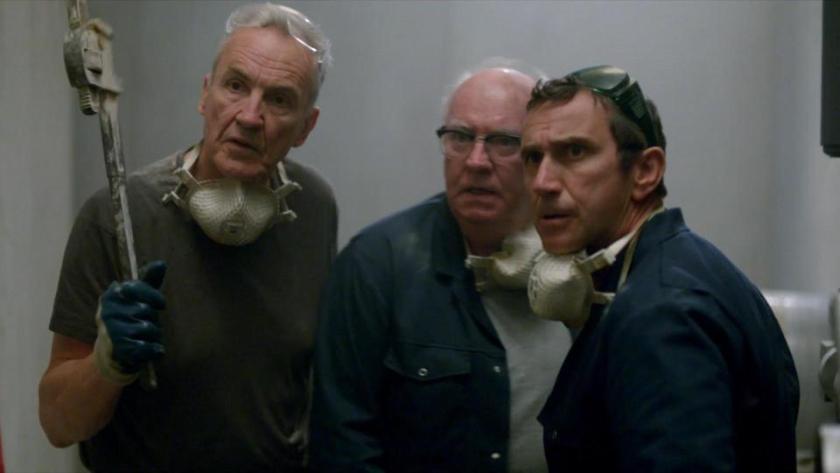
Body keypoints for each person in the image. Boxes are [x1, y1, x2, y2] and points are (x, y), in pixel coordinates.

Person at [38, 4, 335, 471]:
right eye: (235, 85)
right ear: (205, 94)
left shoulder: (314, 209)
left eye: (279, 99)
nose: (250, 115)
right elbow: (58, 423)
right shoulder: (118, 217)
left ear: (306, 127)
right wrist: (105, 365)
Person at [520, 65, 799, 472]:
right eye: (532, 157)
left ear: (645, 172)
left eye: (574, 152)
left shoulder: (661, 314)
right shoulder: (683, 266)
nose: (542, 182)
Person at [310, 65, 572, 473]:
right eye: (460, 138)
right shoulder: (376, 265)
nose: (476, 161)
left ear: (540, 156)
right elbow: (342, 443)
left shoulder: (579, 261)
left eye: (504, 142)